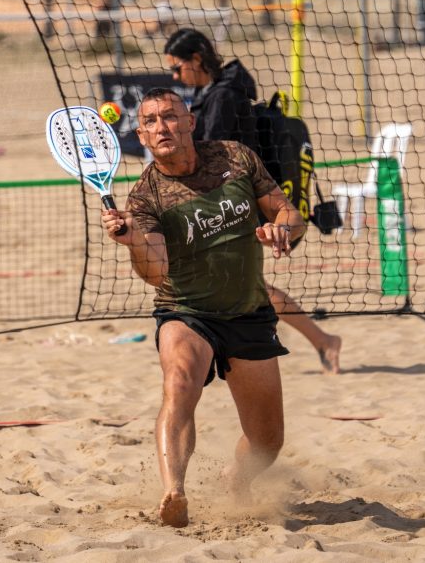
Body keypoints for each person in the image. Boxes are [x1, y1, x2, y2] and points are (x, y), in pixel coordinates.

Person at [102, 88, 305, 527]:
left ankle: (237, 479)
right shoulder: (145, 197)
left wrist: (282, 230)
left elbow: (290, 214)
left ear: (190, 122)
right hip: (187, 310)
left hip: (248, 312)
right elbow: (156, 272)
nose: (162, 127)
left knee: (267, 442)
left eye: (170, 116)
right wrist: (134, 241)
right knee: (179, 383)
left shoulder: (235, 157)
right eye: (151, 121)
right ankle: (174, 490)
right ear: (141, 136)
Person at [163, 28, 342, 374]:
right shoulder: (214, 93)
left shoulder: (223, 96)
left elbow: (210, 157)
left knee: (241, 285)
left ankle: (314, 341)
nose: (174, 76)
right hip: (227, 205)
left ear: (196, 59)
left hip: (232, 207)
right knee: (237, 285)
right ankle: (319, 340)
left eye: (176, 67)